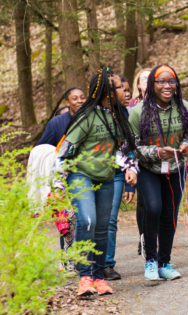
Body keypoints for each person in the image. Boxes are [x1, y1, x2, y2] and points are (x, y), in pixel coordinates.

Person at [57, 68, 138, 296]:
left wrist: (130, 169)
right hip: (81, 175)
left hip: (106, 178)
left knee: (102, 229)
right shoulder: (85, 116)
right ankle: (84, 277)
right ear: (107, 91)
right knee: (88, 221)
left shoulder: (118, 116)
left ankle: (99, 277)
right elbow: (65, 151)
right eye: (118, 87)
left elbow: (124, 149)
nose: (123, 90)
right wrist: (57, 183)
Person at [129, 65, 188, 281]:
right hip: (149, 168)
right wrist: (157, 152)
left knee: (170, 214)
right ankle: (150, 260)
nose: (167, 86)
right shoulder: (138, 111)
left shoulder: (184, 106)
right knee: (154, 209)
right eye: (162, 82)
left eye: (172, 81)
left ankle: (164, 263)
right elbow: (132, 146)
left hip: (175, 168)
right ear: (152, 85)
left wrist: (186, 146)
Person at [104, 76, 135, 280]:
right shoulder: (90, 114)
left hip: (116, 174)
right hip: (92, 174)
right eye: (121, 89)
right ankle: (85, 260)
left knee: (111, 220)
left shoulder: (124, 112)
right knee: (91, 220)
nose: (126, 93)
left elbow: (128, 145)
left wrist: (129, 180)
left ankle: (107, 264)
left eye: (126, 89)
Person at [128, 68, 151, 254]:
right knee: (143, 201)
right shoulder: (131, 106)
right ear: (138, 83)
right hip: (138, 160)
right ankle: (143, 237)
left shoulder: (165, 103)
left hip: (160, 158)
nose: (149, 81)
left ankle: (154, 237)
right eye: (145, 78)